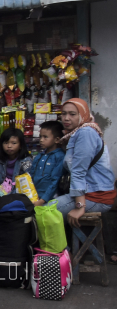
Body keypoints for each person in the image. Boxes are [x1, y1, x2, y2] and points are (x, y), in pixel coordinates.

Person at [53, 99, 115, 231]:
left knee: (46, 212)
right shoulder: (76, 133)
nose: (66, 118)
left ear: (83, 114)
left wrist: (79, 207)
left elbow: (78, 171)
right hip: (88, 193)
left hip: (96, 196)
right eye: (63, 114)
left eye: (72, 114)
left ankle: (58, 251)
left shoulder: (85, 133)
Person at [30, 120, 66, 207]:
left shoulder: (60, 156)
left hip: (51, 199)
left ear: (57, 140)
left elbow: (55, 181)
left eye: (45, 137)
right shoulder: (40, 156)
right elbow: (31, 176)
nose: (41, 140)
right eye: (40, 136)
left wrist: (42, 200)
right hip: (35, 197)